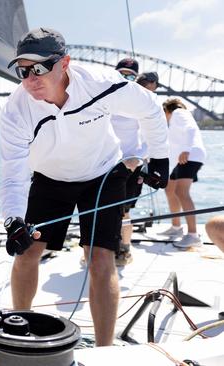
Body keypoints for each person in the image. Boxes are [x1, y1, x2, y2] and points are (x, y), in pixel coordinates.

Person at [0, 28, 169, 347]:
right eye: (23, 71)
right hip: (49, 178)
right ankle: (18, 333)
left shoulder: (100, 82)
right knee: (26, 253)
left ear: (65, 63)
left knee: (101, 259)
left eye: (39, 68)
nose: (31, 78)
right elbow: (13, 173)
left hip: (103, 174)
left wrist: (160, 158)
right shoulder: (16, 109)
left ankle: (104, 350)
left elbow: (150, 108)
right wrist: (12, 219)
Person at [111, 58, 147, 266]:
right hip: (105, 165)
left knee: (124, 211)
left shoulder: (143, 102)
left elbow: (153, 138)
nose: (125, 78)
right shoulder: (103, 98)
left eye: (130, 75)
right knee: (99, 208)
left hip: (131, 167)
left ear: (136, 78)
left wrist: (138, 158)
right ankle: (97, 246)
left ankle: (124, 249)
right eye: (121, 74)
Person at [159, 98, 207, 249]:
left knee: (181, 192)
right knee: (170, 189)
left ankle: (193, 235)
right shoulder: (174, 120)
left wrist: (187, 148)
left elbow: (191, 129)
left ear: (167, 109)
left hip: (191, 155)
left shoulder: (179, 112)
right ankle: (176, 227)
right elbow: (173, 146)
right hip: (181, 159)